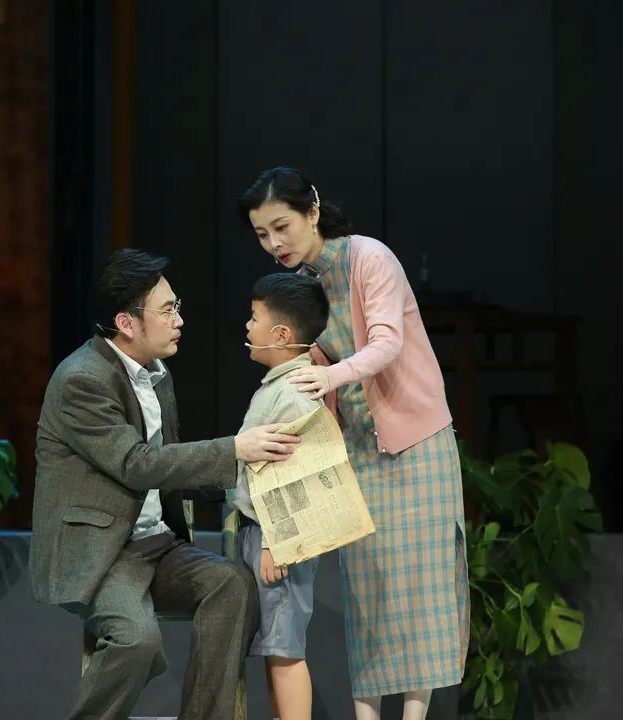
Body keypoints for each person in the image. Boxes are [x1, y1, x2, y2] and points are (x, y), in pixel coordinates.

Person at [29, 248, 301, 720]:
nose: (179, 320)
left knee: (232, 586)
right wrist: (235, 449)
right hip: (102, 552)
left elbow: (169, 464)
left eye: (177, 307)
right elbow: (136, 464)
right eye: (168, 310)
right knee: (136, 639)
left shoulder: (156, 374)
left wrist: (250, 480)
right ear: (127, 323)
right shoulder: (82, 380)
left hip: (155, 545)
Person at [237, 168, 469, 720]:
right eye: (262, 234)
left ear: (312, 213)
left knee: (420, 589)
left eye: (281, 227)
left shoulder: (369, 258)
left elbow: (387, 343)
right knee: (369, 592)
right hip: (357, 449)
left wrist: (329, 376)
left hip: (416, 441)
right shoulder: (304, 284)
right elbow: (303, 357)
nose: (274, 243)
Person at [228, 272, 331, 720]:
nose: (248, 327)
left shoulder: (294, 393)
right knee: (275, 648)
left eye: (255, 318)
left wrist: (276, 540)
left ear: (282, 334)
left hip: (279, 539)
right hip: (263, 534)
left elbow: (294, 476)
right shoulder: (280, 385)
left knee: (285, 649)